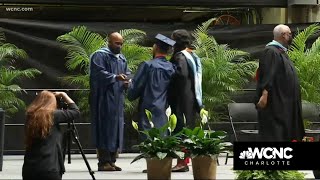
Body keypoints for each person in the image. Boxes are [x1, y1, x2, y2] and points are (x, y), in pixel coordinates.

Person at [256, 24, 305, 142]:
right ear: (283, 35)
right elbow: (268, 74)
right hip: (277, 104)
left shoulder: (280, 52)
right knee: (276, 134)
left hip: (285, 103)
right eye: (290, 34)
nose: (291, 36)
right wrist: (264, 95)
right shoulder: (271, 51)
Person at [89, 32, 130, 171]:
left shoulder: (122, 58)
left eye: (121, 44)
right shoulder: (99, 55)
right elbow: (98, 73)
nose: (119, 46)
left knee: (116, 128)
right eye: (116, 43)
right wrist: (115, 77)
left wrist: (126, 82)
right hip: (104, 98)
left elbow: (127, 73)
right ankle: (103, 162)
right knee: (105, 128)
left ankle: (112, 160)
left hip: (117, 99)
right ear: (109, 42)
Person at [22, 91, 80, 180]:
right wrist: (64, 95)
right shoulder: (53, 115)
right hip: (49, 168)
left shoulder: (30, 115)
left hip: (29, 169)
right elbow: (75, 111)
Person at [168, 29, 203, 172]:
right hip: (192, 96)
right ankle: (185, 161)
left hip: (181, 97)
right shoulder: (192, 55)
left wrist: (167, 71)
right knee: (187, 129)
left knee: (180, 129)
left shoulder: (180, 56)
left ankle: (182, 162)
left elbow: (180, 74)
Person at [127, 34, 175, 135]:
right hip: (165, 110)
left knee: (148, 141)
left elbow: (134, 90)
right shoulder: (172, 68)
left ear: (155, 47)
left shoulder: (148, 66)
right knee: (162, 142)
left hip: (148, 110)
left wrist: (130, 83)